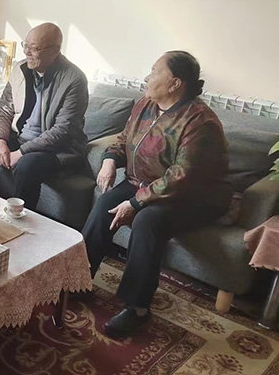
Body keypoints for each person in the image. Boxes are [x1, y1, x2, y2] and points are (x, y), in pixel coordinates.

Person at [83, 51, 232, 338]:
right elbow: (124, 140)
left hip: (192, 197)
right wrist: (110, 160)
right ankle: (79, 279)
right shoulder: (145, 105)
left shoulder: (200, 122)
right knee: (105, 205)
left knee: (147, 220)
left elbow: (182, 177)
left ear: (175, 83)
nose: (147, 78)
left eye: (154, 72)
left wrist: (135, 202)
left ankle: (137, 308)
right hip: (144, 183)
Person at [0, 23, 88, 209]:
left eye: (34, 48)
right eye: (25, 45)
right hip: (20, 138)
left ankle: (18, 217)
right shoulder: (21, 69)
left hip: (56, 149)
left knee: (26, 165)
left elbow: (63, 131)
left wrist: (21, 152)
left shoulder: (74, 79)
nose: (26, 52)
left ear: (54, 51)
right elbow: (4, 107)